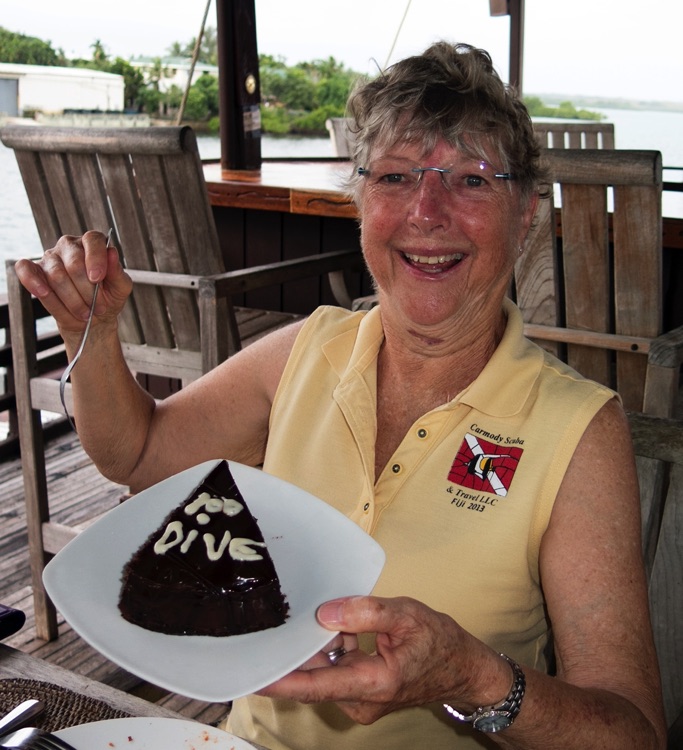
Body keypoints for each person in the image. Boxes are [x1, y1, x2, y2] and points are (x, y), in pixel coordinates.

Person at [15, 42, 666, 750]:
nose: (426, 211)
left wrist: (473, 678)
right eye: (395, 176)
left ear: (526, 212)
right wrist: (89, 332)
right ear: (360, 201)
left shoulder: (577, 430)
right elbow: (137, 452)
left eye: (471, 181)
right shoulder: (307, 350)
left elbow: (632, 734)